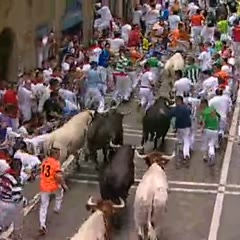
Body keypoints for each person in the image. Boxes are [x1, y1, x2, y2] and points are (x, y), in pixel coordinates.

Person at [39, 145, 68, 235]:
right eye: (58, 153)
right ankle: (56, 207)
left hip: (44, 186)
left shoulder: (44, 161)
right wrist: (64, 185)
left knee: (44, 206)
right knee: (60, 193)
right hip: (53, 186)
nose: (59, 155)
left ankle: (42, 224)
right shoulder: (56, 163)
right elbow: (58, 176)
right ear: (54, 154)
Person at [0, 159, 24, 239]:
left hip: (1, 202)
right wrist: (24, 201)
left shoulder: (4, 176)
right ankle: (17, 235)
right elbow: (16, 198)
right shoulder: (14, 180)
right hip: (10, 205)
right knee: (17, 221)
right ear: (18, 168)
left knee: (1, 224)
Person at [168, 96, 192, 168]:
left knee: (179, 140)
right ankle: (186, 154)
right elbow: (190, 113)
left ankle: (178, 154)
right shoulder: (187, 108)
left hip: (179, 127)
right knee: (186, 140)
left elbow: (170, 115)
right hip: (187, 126)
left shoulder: (175, 109)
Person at [199, 99, 220, 166]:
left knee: (205, 144)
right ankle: (211, 155)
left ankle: (205, 156)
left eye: (201, 104)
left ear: (204, 104)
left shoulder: (204, 112)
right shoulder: (213, 109)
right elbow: (219, 116)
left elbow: (203, 122)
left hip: (207, 130)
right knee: (211, 144)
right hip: (215, 130)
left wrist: (201, 128)